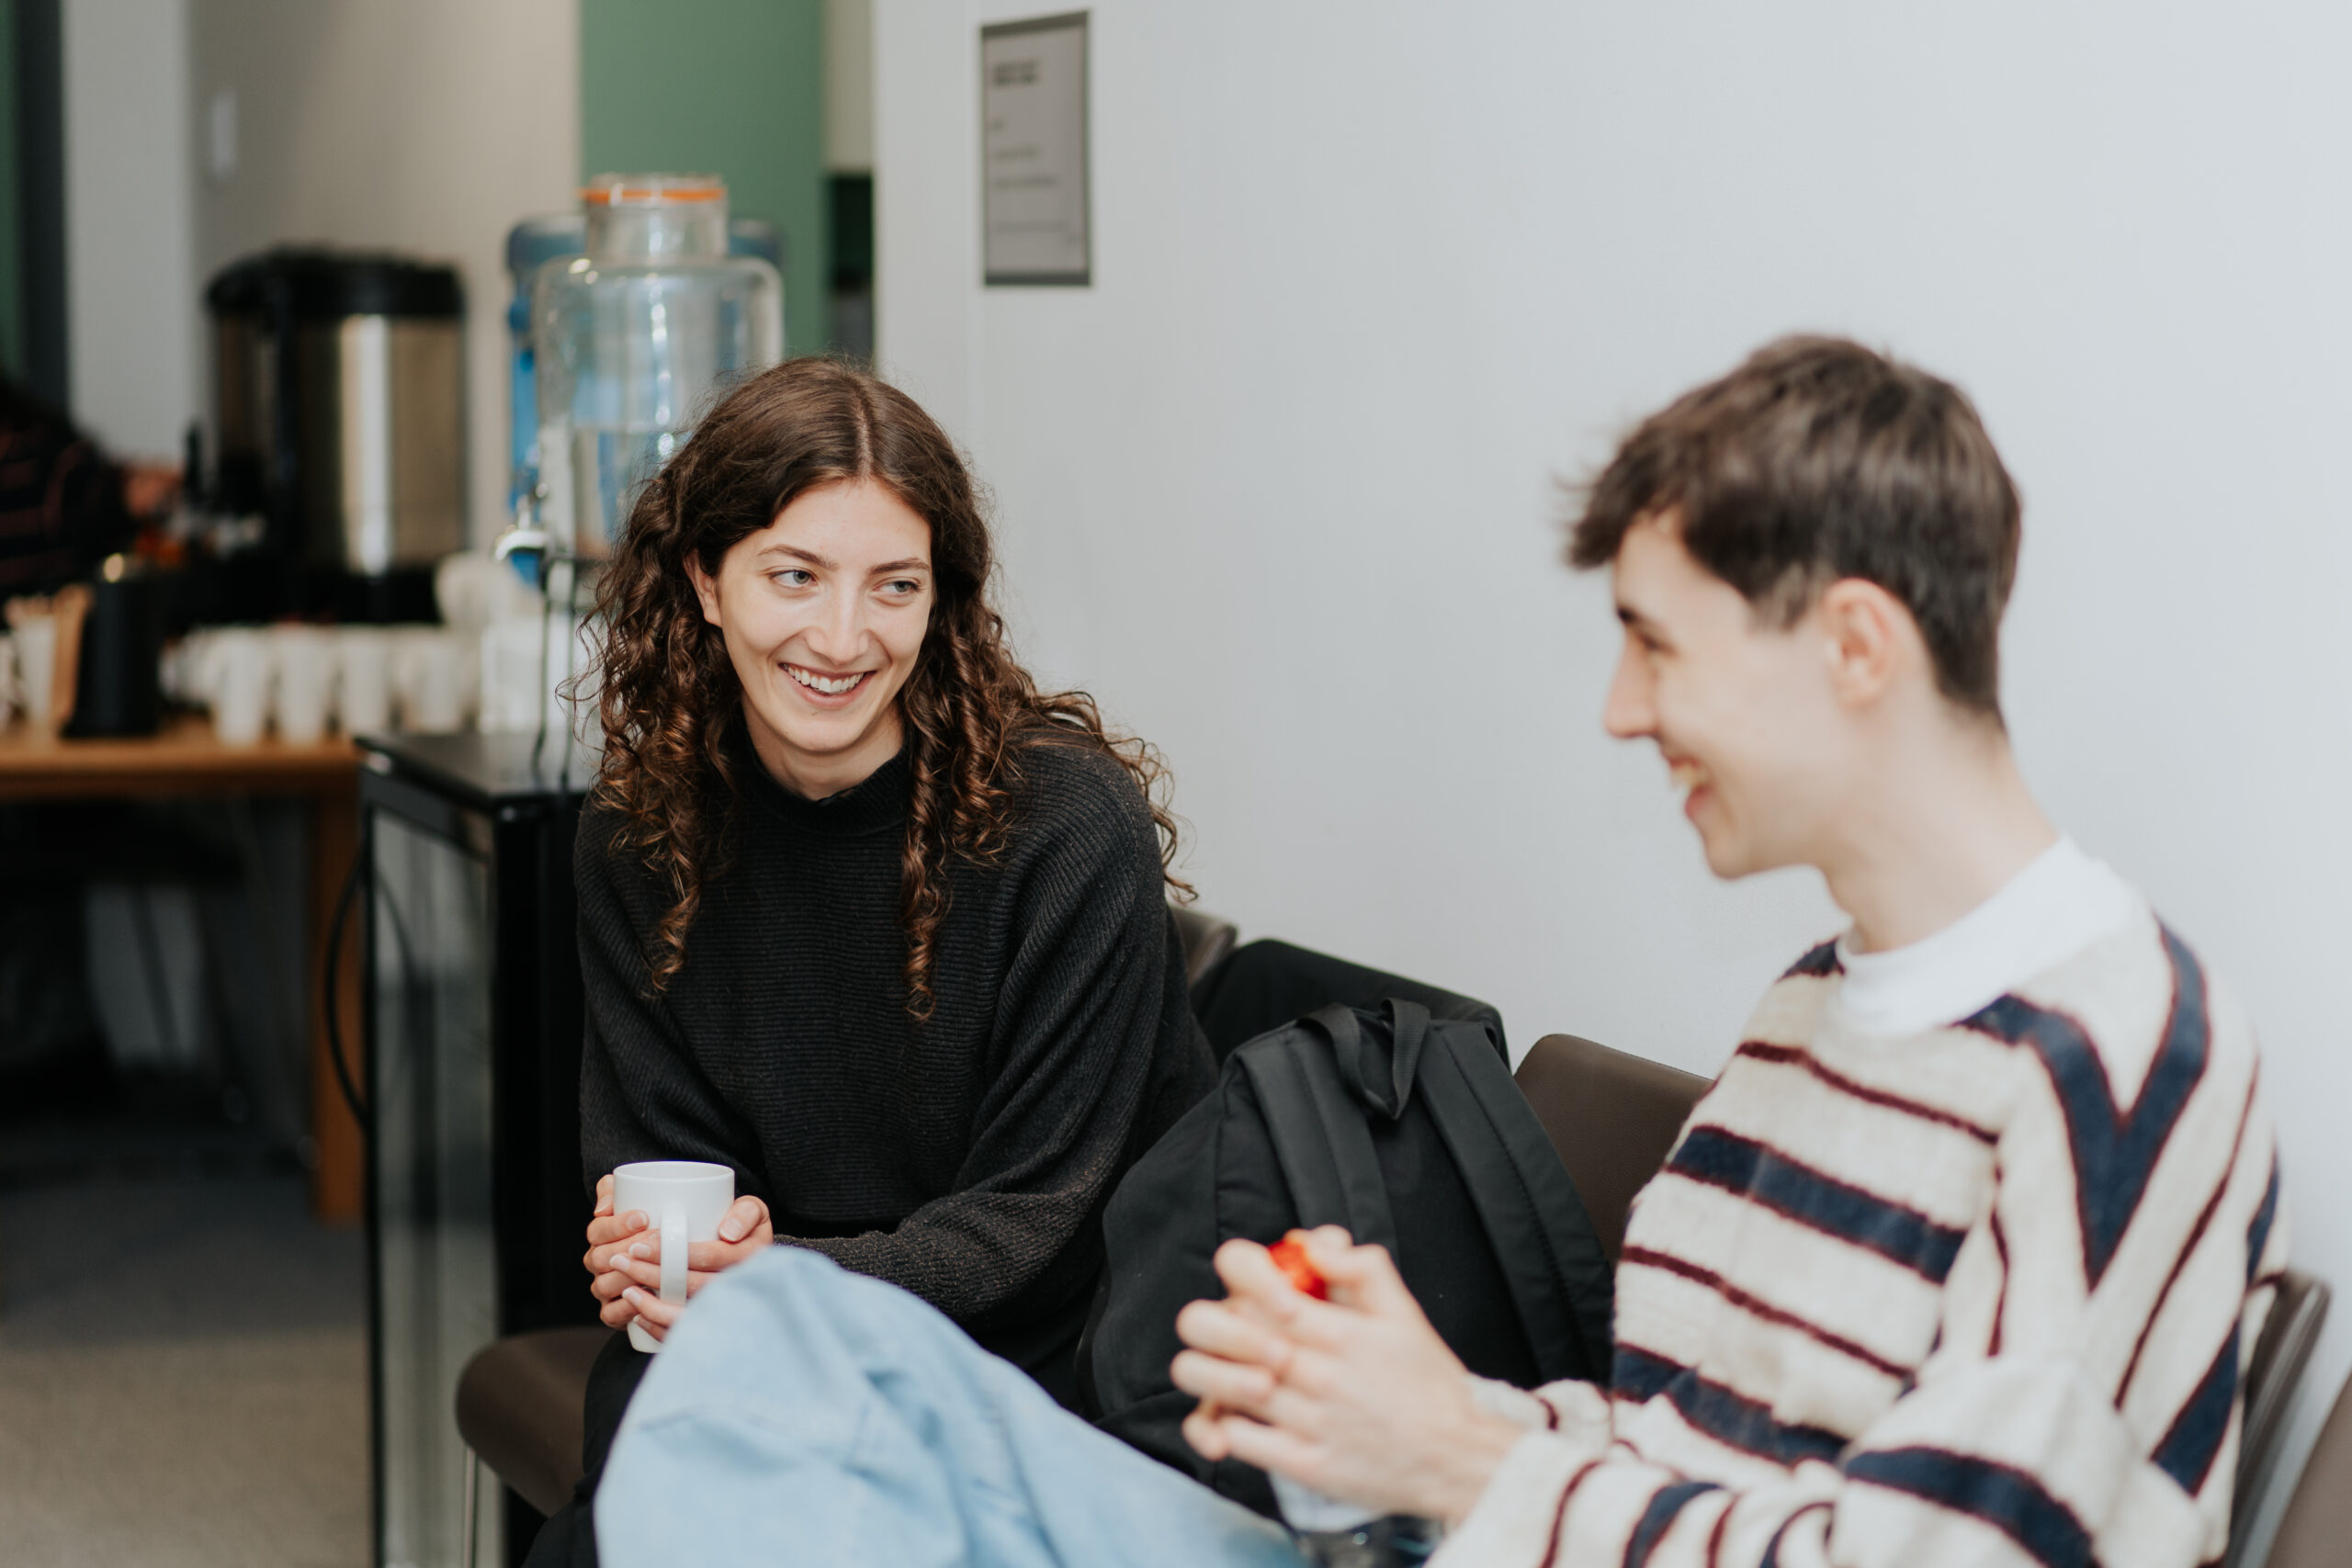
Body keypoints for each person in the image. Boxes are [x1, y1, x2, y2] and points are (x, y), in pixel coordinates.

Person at [590, 338, 2284, 1568]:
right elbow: (1663, 1450)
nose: (1621, 713)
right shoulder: (1816, 1016)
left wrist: (1463, 1449)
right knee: (792, 1371)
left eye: (1656, 648)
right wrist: (1370, 1421)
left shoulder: (2113, 1056)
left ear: (1852, 647)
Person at [529, 358, 1216, 1566]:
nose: (841, 640)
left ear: (939, 600)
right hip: (756, 1324)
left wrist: (783, 1279)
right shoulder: (639, 834)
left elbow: (1036, 1222)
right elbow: (653, 1150)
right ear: (705, 578)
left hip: (1038, 1353)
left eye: (893, 586)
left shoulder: (1064, 830)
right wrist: (654, 1254)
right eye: (794, 576)